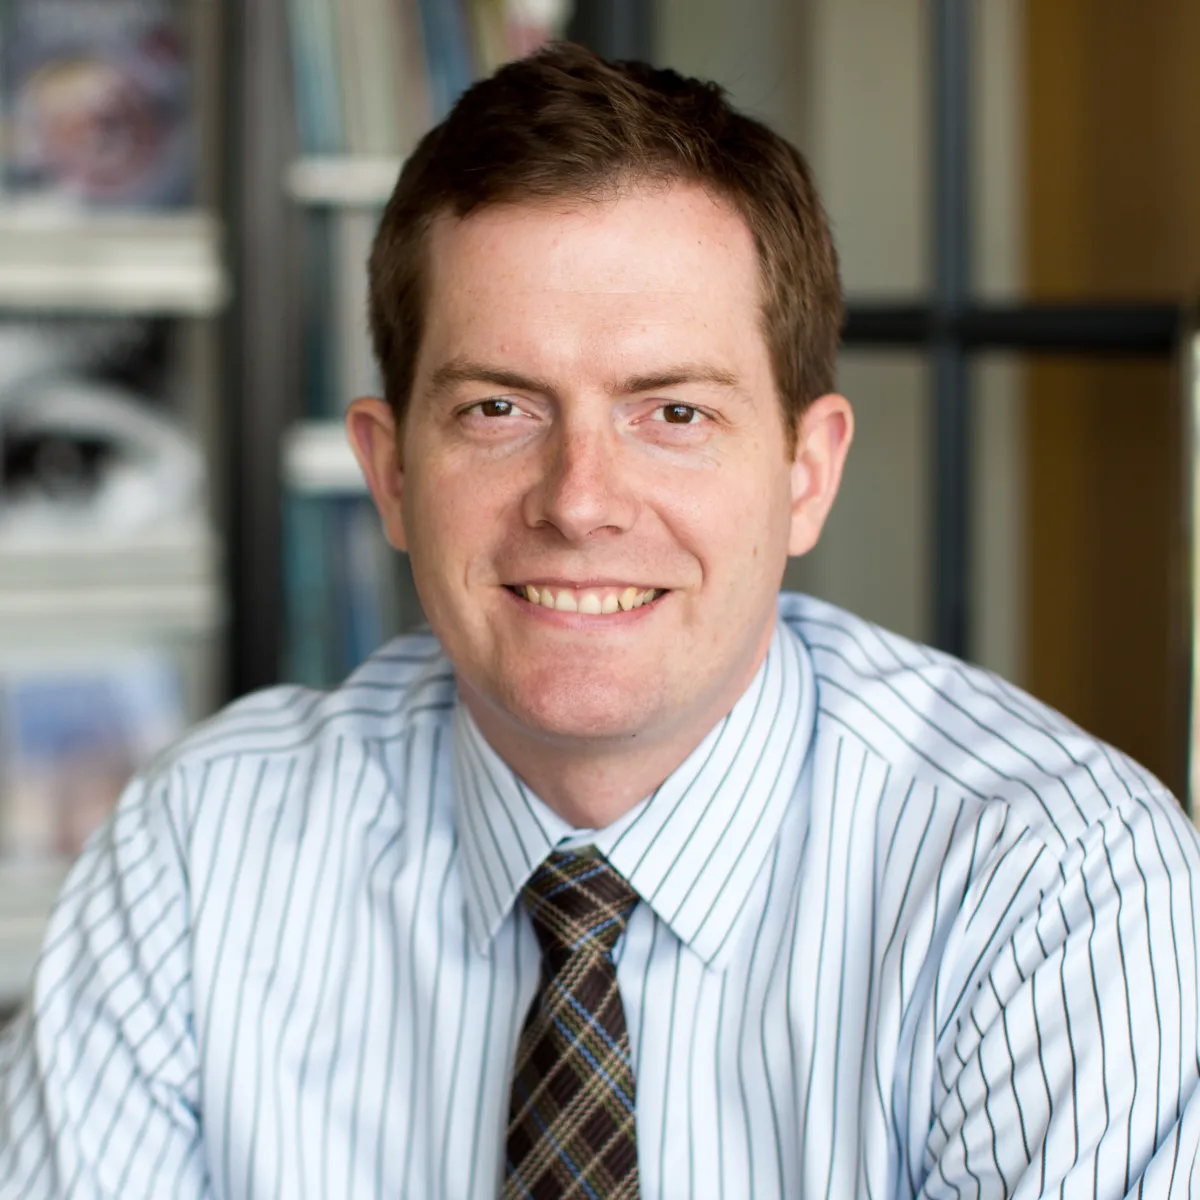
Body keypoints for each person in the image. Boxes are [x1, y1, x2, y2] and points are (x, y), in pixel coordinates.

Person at [2, 41, 1199, 1200]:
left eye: (672, 412)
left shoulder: (1053, 887)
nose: (579, 503)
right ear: (391, 473)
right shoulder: (203, 850)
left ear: (806, 473)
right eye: (498, 408)